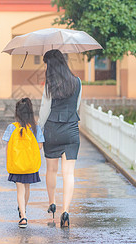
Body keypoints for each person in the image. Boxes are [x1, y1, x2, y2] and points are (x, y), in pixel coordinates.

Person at [38, 49, 82, 228]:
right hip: (71, 129)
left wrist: (39, 132)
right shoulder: (77, 82)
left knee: (51, 170)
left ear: (51, 65)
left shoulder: (49, 84)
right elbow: (77, 106)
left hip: (53, 131)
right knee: (69, 173)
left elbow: (44, 110)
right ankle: (66, 211)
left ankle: (52, 203)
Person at [2, 98, 44, 228]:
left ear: (17, 113)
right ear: (31, 112)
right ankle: (23, 210)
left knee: (19, 189)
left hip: (17, 165)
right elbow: (40, 146)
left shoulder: (11, 127)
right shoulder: (36, 128)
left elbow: (8, 148)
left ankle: (23, 217)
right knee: (27, 188)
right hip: (30, 165)